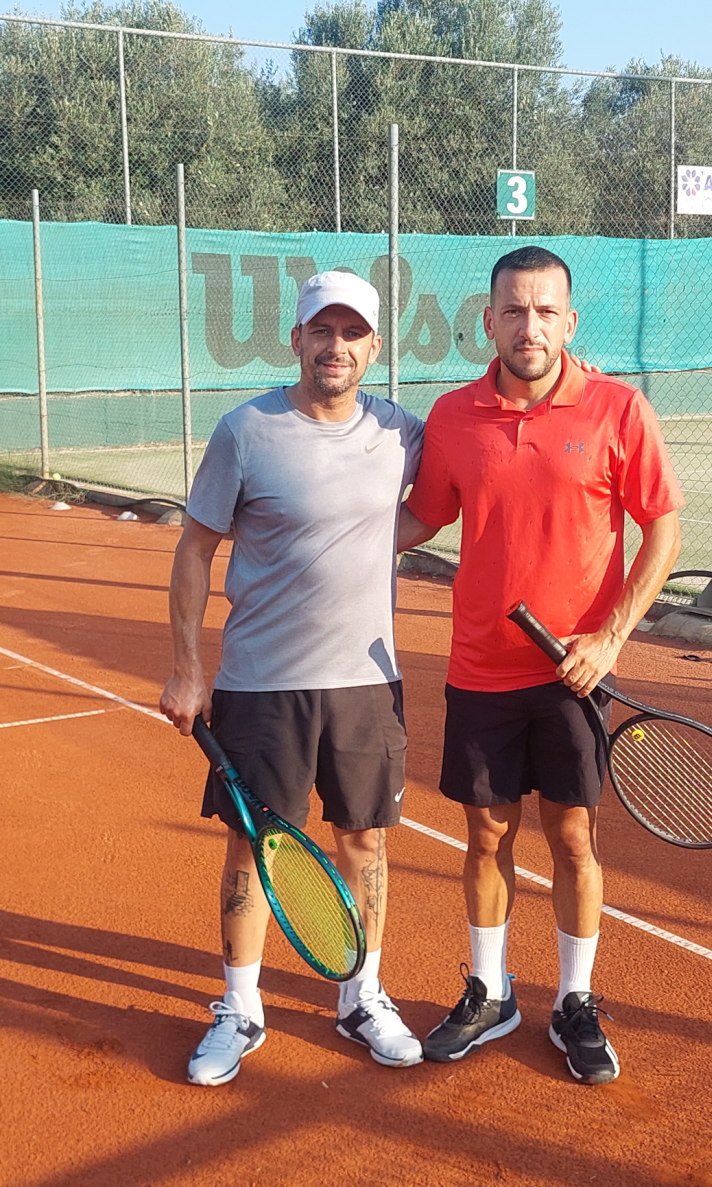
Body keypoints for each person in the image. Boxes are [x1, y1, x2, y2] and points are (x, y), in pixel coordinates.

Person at [398, 245, 684, 1085]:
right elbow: (420, 518)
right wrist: (314, 542)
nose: (530, 326)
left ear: (569, 321)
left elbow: (662, 529)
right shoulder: (453, 416)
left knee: (571, 838)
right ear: (487, 322)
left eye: (545, 311)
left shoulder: (617, 408)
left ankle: (573, 1001)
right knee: (485, 834)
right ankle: (490, 993)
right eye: (514, 311)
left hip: (574, 674)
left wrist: (611, 637)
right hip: (480, 668)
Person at [160, 270, 425, 1085]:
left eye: (352, 334)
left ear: (374, 348)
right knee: (254, 844)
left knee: (365, 838)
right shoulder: (245, 431)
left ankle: (361, 996)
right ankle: (240, 1008)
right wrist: (188, 670)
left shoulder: (402, 432)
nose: (335, 346)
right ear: (297, 340)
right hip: (261, 682)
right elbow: (194, 551)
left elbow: (461, 476)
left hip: (365, 682)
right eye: (322, 330)